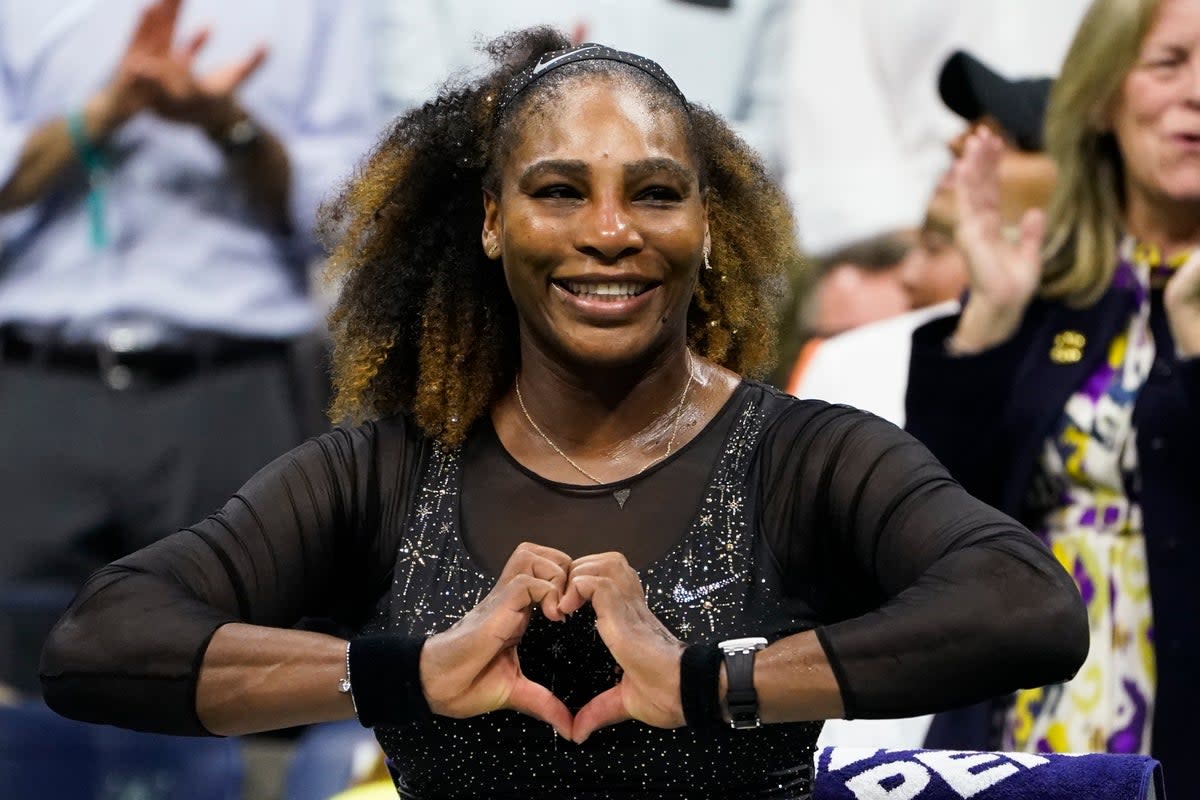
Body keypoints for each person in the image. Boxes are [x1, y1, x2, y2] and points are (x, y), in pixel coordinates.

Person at [42, 29, 1087, 799]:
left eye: (655, 192)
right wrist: (409, 672)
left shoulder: (801, 456)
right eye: (557, 191)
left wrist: (713, 680)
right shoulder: (388, 472)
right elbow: (100, 640)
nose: (609, 231)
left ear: (709, 227)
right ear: (492, 223)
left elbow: (1025, 606)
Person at [0, 0, 374, 692]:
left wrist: (227, 126)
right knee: (20, 697)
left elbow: (351, 209)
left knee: (252, 679)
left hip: (231, 393)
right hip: (37, 387)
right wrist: (99, 114)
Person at [905, 0, 1200, 771]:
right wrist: (987, 327)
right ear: (1104, 97)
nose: (1198, 92)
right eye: (1169, 63)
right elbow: (927, 534)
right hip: (1022, 713)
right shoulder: (1044, 284)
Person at [789, 51, 1059, 431]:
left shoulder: (1126, 350)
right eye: (930, 246)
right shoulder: (857, 362)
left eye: (1007, 136)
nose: (956, 142)